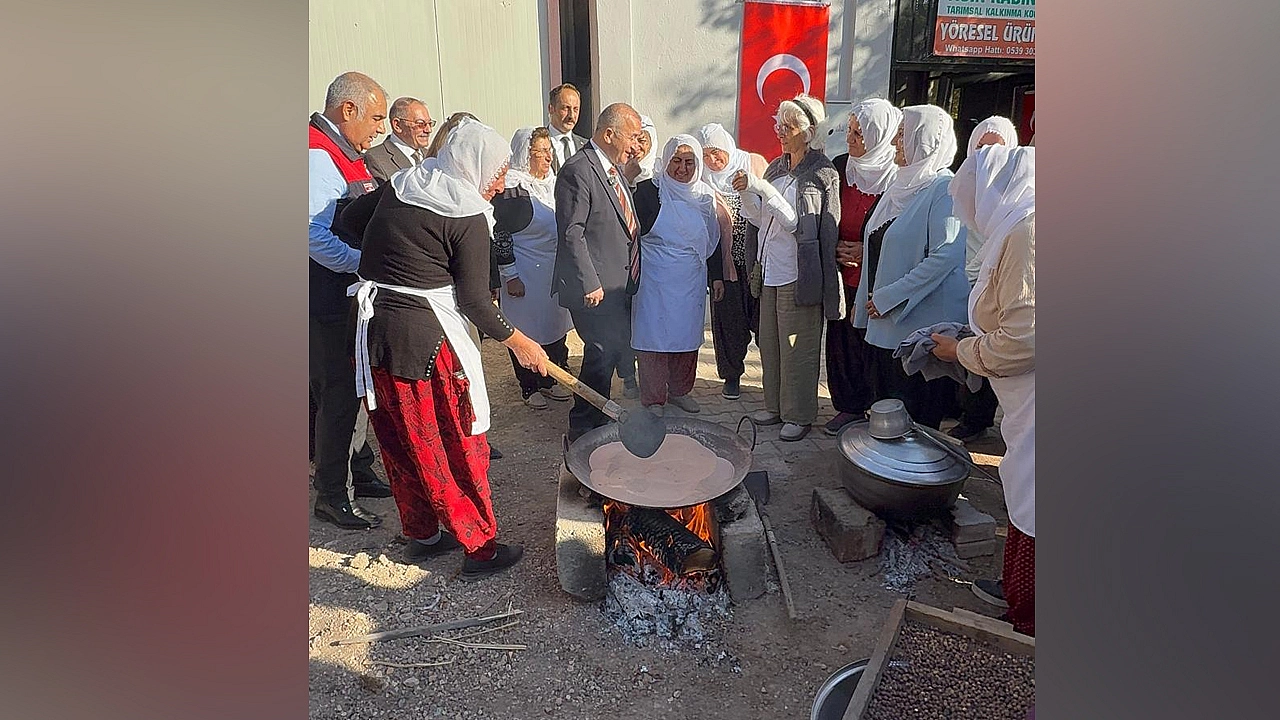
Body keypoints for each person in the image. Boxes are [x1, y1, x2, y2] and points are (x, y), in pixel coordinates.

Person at [347, 117, 549, 580]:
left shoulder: (403, 183)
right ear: (472, 165)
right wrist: (520, 343)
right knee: (453, 444)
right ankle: (479, 548)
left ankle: (422, 535)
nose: (498, 183)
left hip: (377, 330)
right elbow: (476, 301)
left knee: (401, 438)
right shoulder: (466, 214)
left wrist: (395, 260)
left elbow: (350, 219)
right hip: (427, 344)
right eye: (496, 172)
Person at [930, 145, 1035, 636]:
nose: (969, 211)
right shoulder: (1019, 224)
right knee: (1022, 488)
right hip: (1025, 400)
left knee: (1036, 495)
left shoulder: (1029, 232)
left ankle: (1030, 619)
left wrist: (963, 352)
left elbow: (1024, 339)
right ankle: (1018, 590)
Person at [308, 71, 394, 530]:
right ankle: (331, 493)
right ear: (348, 111)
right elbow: (310, 235)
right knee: (338, 395)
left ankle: (357, 470)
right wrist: (363, 263)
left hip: (344, 298)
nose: (379, 129)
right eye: (377, 118)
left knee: (358, 388)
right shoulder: (318, 156)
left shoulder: (342, 152)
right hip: (325, 301)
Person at [733, 94, 843, 441]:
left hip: (800, 275)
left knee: (799, 347)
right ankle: (775, 405)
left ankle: (799, 414)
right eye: (778, 123)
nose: (780, 131)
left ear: (809, 132)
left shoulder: (823, 172)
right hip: (770, 273)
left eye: (789, 126)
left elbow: (800, 223)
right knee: (770, 343)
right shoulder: (776, 167)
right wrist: (749, 192)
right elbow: (757, 217)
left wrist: (762, 188)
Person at [852, 105, 969, 429]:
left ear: (926, 140)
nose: (894, 143)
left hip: (917, 333)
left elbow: (946, 255)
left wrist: (890, 296)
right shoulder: (899, 187)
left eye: (903, 135)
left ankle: (912, 481)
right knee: (886, 419)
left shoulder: (944, 189)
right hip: (886, 325)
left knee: (915, 427)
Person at [551, 102, 644, 441]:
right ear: (609, 134)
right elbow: (572, 231)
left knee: (609, 351)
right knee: (601, 351)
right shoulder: (578, 169)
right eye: (632, 137)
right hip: (593, 285)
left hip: (618, 281)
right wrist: (589, 281)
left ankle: (598, 413)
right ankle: (584, 425)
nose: (636, 145)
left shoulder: (612, 168)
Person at [629, 134, 732, 415]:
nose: (682, 168)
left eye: (689, 162)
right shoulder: (649, 192)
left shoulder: (704, 196)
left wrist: (717, 277)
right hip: (655, 279)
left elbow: (711, 241)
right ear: (666, 160)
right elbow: (632, 236)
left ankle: (680, 391)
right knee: (654, 339)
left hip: (691, 279)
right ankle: (653, 399)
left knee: (686, 338)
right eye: (676, 161)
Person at [823, 99, 903, 436]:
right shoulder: (841, 167)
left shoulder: (898, 176)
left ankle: (880, 409)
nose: (851, 139)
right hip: (843, 274)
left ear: (880, 136)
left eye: (860, 133)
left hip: (879, 275)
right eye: (851, 131)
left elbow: (901, 229)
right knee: (842, 344)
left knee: (875, 346)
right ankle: (848, 406)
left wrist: (867, 249)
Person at [492, 127, 574, 409]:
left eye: (550, 151)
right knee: (526, 329)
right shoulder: (512, 190)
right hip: (523, 272)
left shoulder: (553, 184)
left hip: (552, 270)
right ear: (525, 155)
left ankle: (550, 378)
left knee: (553, 325)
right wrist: (510, 275)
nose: (548, 157)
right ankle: (529, 386)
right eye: (541, 152)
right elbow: (500, 235)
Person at [950, 115, 1020, 442]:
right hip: (964, 287)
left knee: (996, 356)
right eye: (980, 148)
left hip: (1000, 292)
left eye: (996, 150)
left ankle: (981, 419)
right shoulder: (962, 186)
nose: (986, 158)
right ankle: (968, 415)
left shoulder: (1021, 208)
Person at [698, 122, 769, 401]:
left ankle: (772, 376)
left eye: (716, 153)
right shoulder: (702, 180)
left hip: (758, 263)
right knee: (729, 324)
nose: (712, 160)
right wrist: (713, 273)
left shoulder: (753, 163)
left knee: (764, 321)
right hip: (726, 266)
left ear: (726, 146)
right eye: (706, 155)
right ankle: (731, 375)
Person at [363, 96, 436, 183]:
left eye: (430, 124)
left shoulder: (431, 156)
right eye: (420, 124)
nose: (428, 130)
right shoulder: (376, 158)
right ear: (397, 125)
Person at [547, 83, 588, 173]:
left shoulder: (586, 147)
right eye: (565, 108)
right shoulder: (538, 144)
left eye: (575, 109)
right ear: (551, 109)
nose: (571, 115)